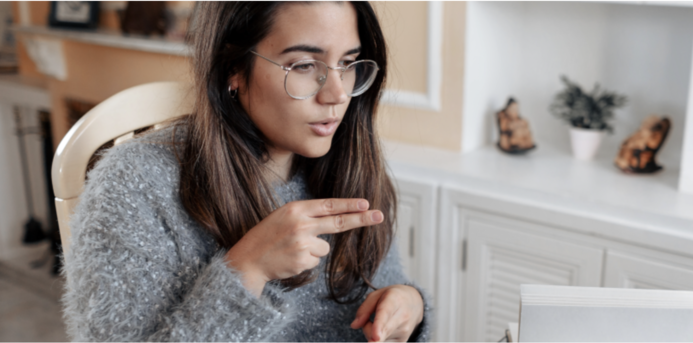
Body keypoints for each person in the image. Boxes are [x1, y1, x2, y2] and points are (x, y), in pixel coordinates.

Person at [60, 2, 431, 341]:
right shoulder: (134, 186)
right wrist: (247, 270)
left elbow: (387, 291)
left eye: (348, 64)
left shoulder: (352, 161)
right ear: (233, 69)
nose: (337, 94)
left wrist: (409, 305)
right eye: (304, 65)